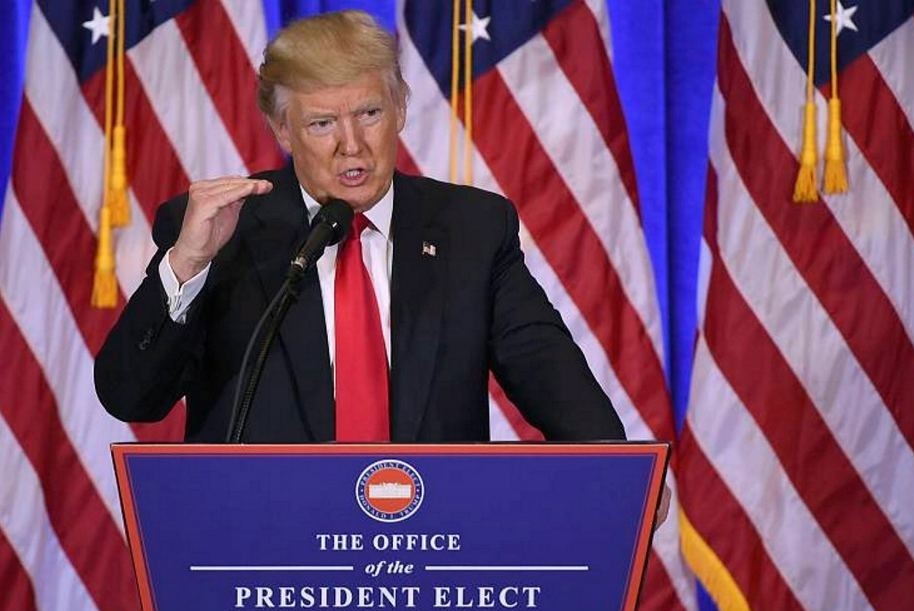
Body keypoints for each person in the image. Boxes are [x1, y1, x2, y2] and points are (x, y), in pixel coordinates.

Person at [94, 10, 625, 445]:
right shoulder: (223, 230)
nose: (352, 144)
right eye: (322, 123)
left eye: (369, 113)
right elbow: (131, 398)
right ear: (282, 128)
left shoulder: (473, 229)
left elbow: (548, 372)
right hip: (265, 554)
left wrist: (617, 473)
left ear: (398, 108)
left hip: (428, 544)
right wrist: (187, 265)